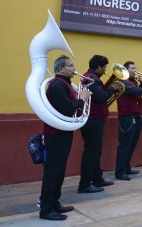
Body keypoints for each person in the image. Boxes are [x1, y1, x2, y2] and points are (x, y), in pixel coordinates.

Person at [39, 56, 92, 221]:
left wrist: (80, 98)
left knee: (59, 170)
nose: (74, 68)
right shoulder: (57, 85)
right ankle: (46, 209)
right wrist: (82, 98)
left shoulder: (65, 84)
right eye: (71, 66)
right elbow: (68, 109)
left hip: (63, 131)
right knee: (53, 171)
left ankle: (54, 202)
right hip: (56, 133)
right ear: (61, 68)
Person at [78, 55, 122, 194]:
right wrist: (112, 88)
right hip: (93, 119)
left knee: (96, 151)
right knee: (91, 152)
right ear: (98, 67)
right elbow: (101, 97)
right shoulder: (93, 80)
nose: (105, 71)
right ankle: (85, 184)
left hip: (92, 118)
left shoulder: (88, 77)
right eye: (104, 68)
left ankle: (97, 178)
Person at [115, 61, 142, 180]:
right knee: (125, 145)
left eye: (135, 68)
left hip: (136, 115)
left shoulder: (133, 82)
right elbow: (133, 91)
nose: (135, 70)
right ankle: (120, 172)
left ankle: (126, 167)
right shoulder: (122, 82)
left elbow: (140, 92)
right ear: (125, 70)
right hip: (127, 117)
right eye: (133, 68)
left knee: (132, 143)